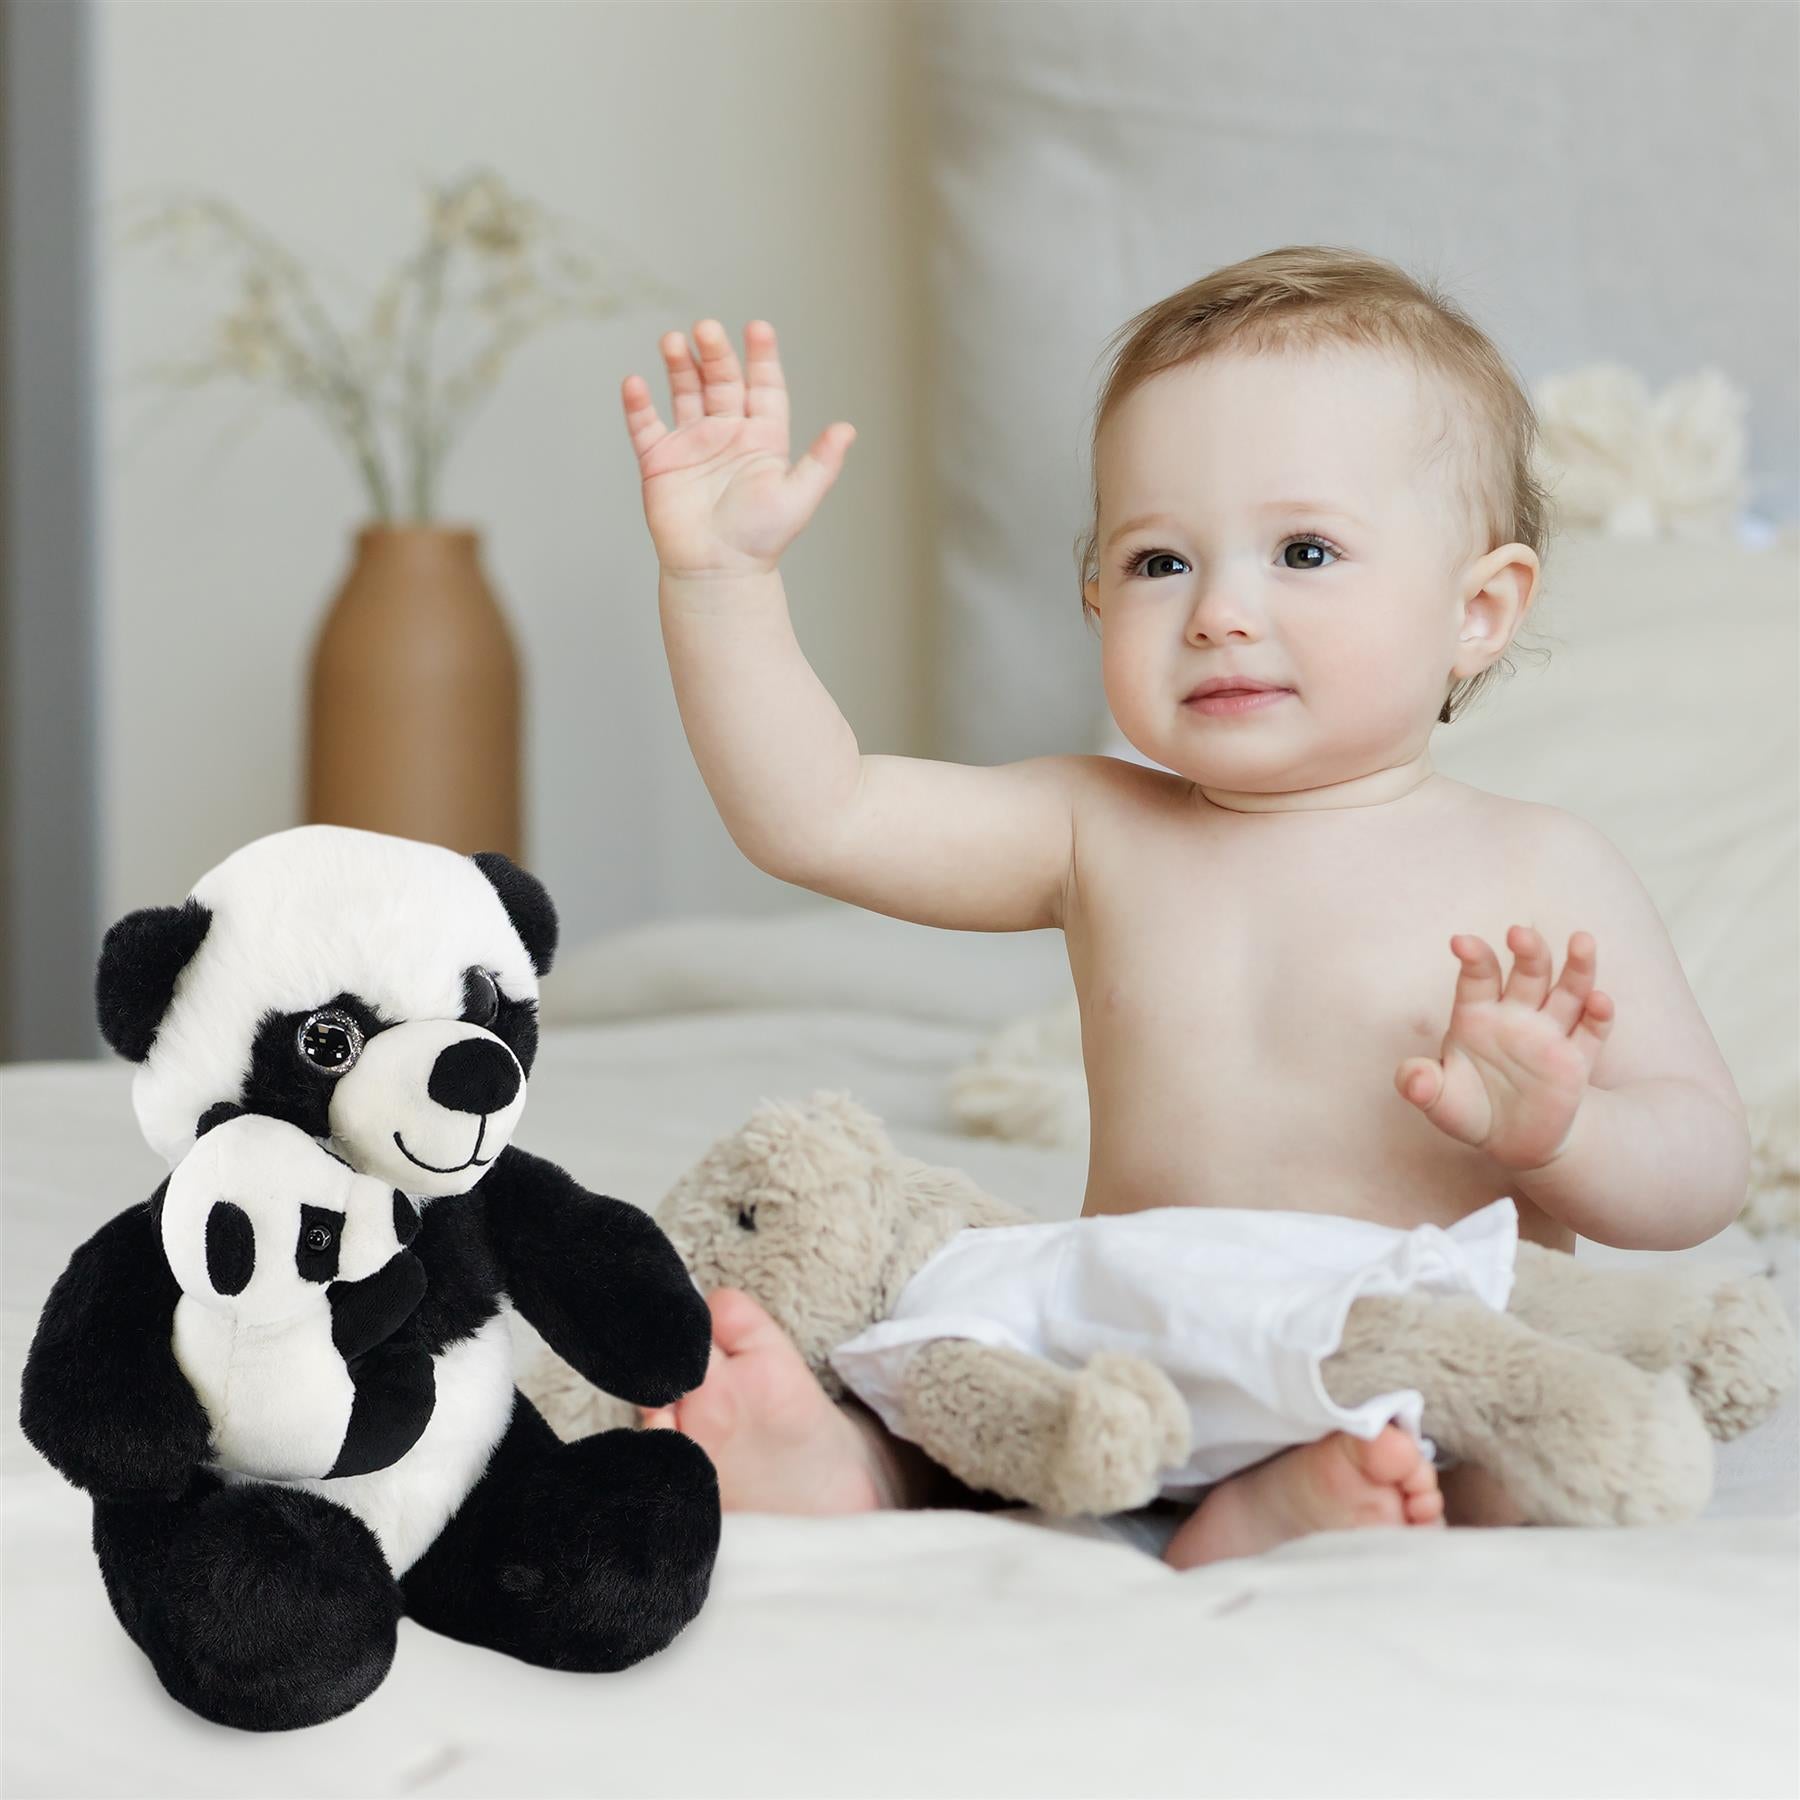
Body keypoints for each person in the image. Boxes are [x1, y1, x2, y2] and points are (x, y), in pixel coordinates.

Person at [617, 246, 1749, 1568]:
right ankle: (844, 1466)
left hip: (1401, 1357)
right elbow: (813, 813)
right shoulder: (1098, 827)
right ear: (1098, 592)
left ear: (1480, 610)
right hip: (1135, 1350)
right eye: (1158, 561)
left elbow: (1701, 1172)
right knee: (954, 1367)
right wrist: (722, 586)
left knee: (1537, 1447)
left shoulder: (1539, 865)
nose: (1218, 612)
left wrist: (1561, 1130)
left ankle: (1310, 1501)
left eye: (1305, 550)